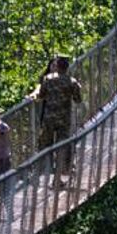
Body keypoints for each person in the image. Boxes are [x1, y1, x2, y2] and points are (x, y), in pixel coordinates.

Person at [31, 55, 85, 185]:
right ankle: (57, 178)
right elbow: (78, 100)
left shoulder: (48, 79)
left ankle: (36, 175)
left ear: (57, 67)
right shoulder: (72, 82)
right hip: (63, 120)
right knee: (61, 148)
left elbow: (41, 95)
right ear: (66, 68)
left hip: (49, 118)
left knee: (44, 146)